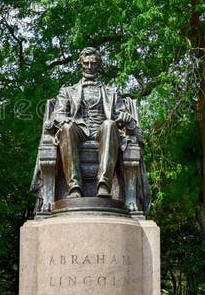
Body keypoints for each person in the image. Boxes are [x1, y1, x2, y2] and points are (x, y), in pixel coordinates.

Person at [44, 47, 136, 198]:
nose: (89, 67)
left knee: (109, 124)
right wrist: (65, 119)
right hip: (78, 130)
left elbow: (120, 113)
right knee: (67, 127)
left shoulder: (112, 92)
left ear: (98, 65)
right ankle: (74, 187)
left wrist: (125, 117)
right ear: (80, 64)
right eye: (86, 63)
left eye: (93, 63)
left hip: (102, 130)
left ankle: (104, 185)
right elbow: (57, 114)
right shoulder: (68, 91)